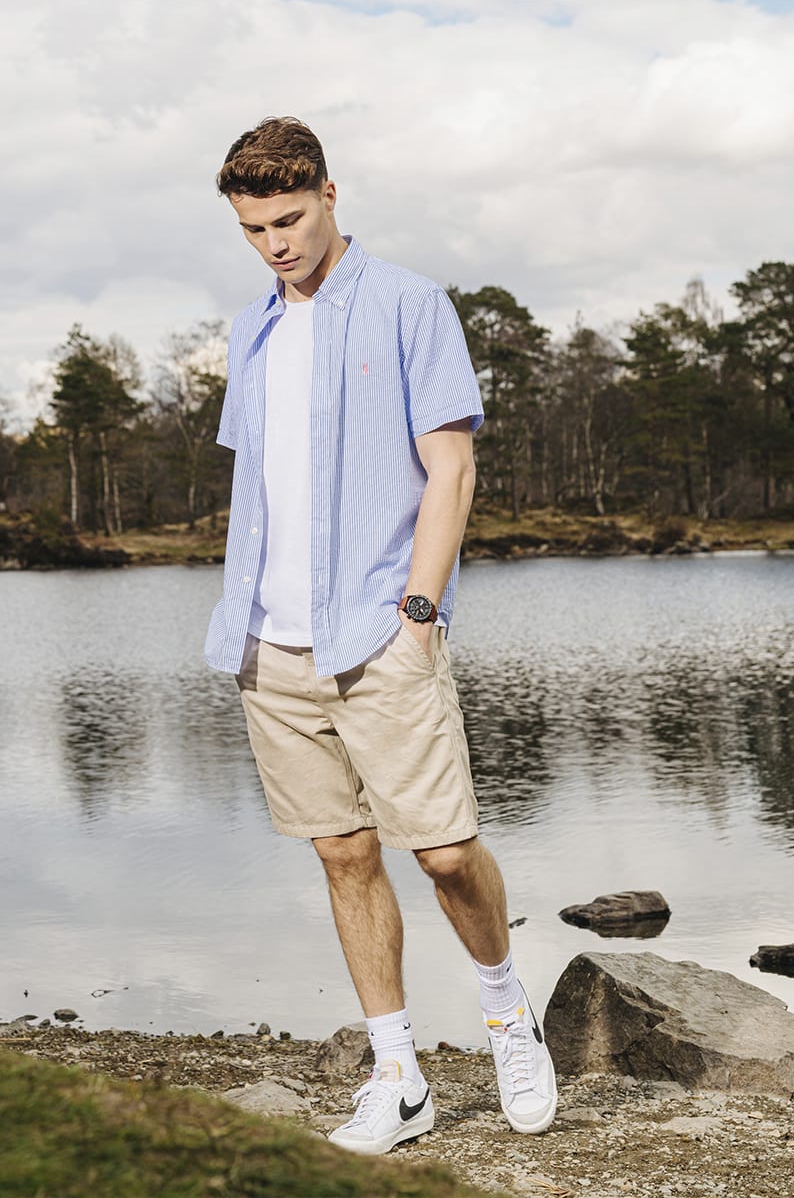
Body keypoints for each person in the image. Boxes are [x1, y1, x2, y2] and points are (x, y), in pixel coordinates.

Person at [205, 117, 556, 1156]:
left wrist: (419, 613)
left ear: (329, 194)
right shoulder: (250, 329)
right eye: (253, 227)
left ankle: (506, 1015)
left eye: (289, 217)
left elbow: (451, 468)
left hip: (380, 633)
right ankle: (398, 1075)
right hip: (270, 649)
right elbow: (259, 486)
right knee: (345, 855)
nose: (274, 242)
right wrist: (242, 625)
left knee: (445, 853)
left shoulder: (410, 305)